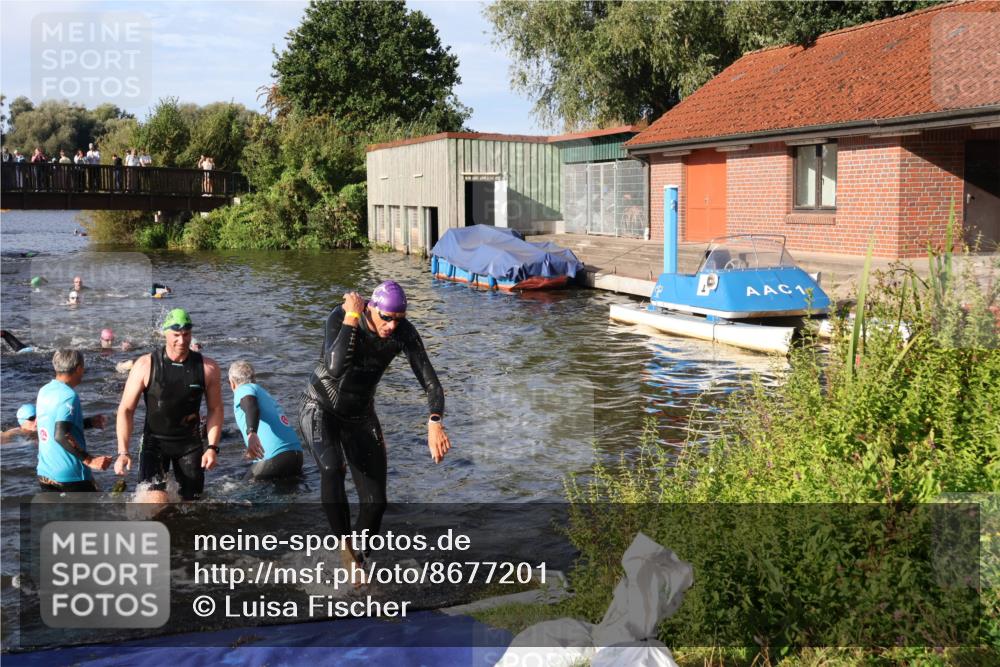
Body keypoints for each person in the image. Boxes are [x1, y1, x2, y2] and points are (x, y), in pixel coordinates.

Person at [298, 280, 451, 569]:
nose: (392, 326)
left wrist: (434, 420)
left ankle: (362, 562)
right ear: (371, 309)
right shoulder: (341, 316)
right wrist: (351, 318)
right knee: (333, 468)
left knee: (376, 501)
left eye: (399, 319)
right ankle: (346, 553)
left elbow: (431, 382)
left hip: (360, 415)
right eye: (387, 318)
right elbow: (335, 366)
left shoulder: (403, 333)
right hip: (320, 408)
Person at [115, 308, 223, 500]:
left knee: (192, 507)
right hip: (154, 443)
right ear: (164, 333)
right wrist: (123, 451)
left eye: (186, 334)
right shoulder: (145, 365)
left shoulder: (208, 368)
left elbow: (215, 408)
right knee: (155, 503)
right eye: (176, 335)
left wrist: (212, 447)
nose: (182, 341)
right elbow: (126, 409)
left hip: (189, 444)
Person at [36, 349, 112, 492]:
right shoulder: (69, 395)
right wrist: (90, 460)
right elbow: (61, 435)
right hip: (71, 476)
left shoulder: (44, 390)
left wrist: (89, 423)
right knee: (94, 513)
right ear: (78, 368)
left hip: (45, 474)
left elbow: (54, 425)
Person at [228, 360, 304, 480]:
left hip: (276, 457)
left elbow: (250, 404)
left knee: (242, 492)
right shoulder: (263, 393)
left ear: (232, 383)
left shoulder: (243, 389)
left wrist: (251, 433)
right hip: (296, 455)